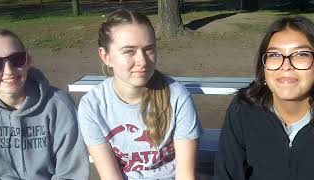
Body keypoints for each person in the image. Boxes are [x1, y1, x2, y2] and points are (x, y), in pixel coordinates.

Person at [78, 9, 202, 180]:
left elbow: (186, 175)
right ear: (106, 56)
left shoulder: (177, 97)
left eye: (149, 49)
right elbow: (110, 176)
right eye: (129, 51)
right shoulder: (92, 106)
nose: (142, 61)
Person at [214, 16, 314, 180]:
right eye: (275, 55)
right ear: (263, 67)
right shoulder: (243, 110)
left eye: (301, 54)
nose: (286, 65)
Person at [0, 29, 89, 179]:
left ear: (28, 61)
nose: (9, 71)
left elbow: (71, 173)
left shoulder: (59, 106)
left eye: (16, 59)